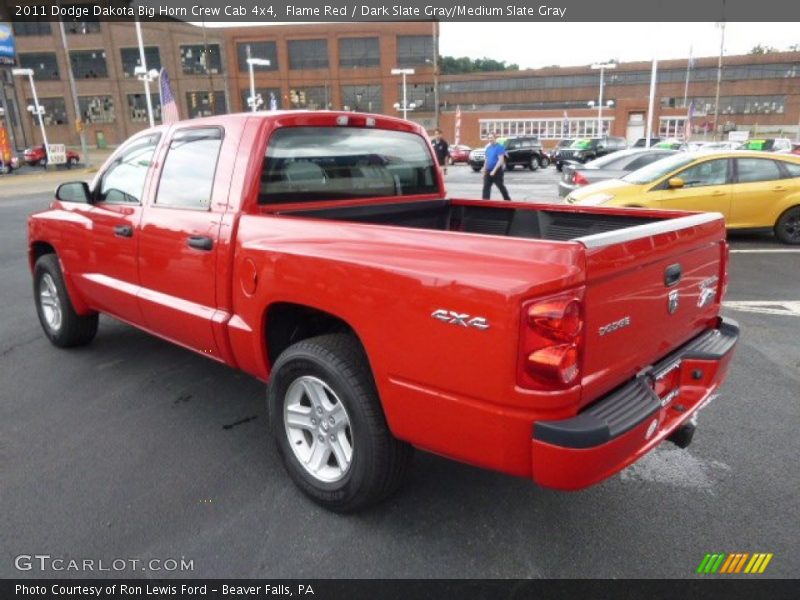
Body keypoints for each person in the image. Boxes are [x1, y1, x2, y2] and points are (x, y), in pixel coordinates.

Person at [481, 133, 511, 200]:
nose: (490, 139)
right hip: (488, 171)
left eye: (492, 137)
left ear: (495, 138)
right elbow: (486, 160)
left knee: (500, 186)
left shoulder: (499, 147)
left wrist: (494, 171)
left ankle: (508, 201)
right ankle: (485, 203)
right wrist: (484, 171)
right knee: (486, 187)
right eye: (489, 138)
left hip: (497, 171)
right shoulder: (488, 148)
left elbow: (500, 160)